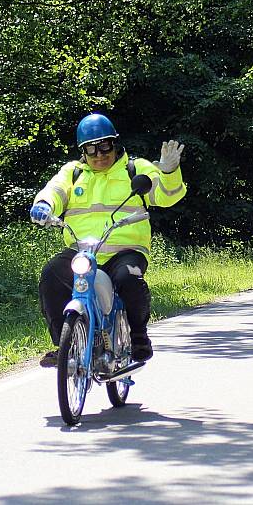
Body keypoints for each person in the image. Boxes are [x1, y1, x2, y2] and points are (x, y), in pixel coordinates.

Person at [30, 113, 187, 367]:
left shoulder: (135, 169)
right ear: (83, 151)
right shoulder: (73, 173)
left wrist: (168, 171)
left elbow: (168, 195)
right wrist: (44, 204)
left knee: (128, 279)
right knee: (51, 274)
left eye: (105, 146)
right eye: (91, 149)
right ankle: (64, 346)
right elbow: (54, 190)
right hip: (82, 251)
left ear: (115, 143)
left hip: (125, 250)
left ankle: (138, 338)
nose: (99, 155)